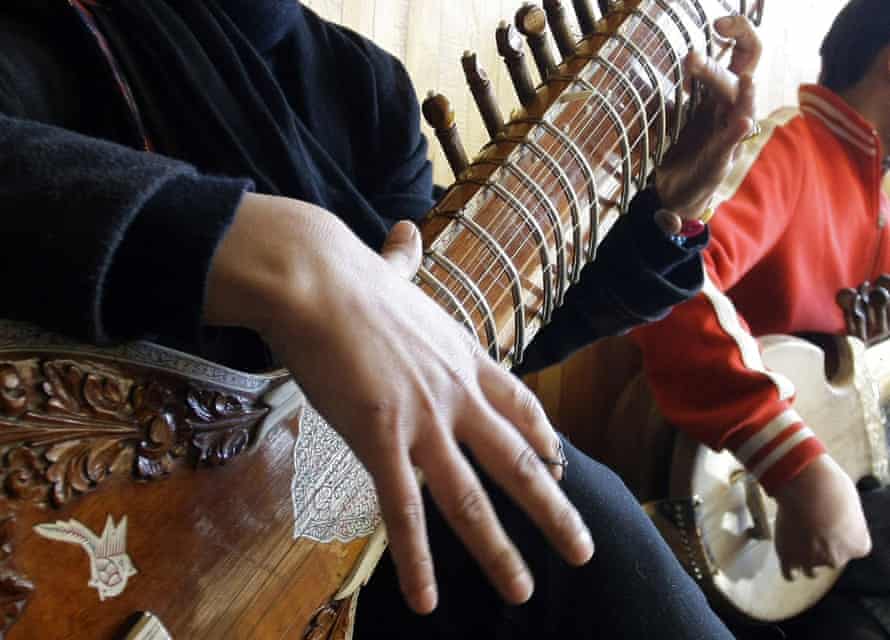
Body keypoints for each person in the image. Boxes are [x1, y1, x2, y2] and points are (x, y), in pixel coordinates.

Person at [0, 1, 758, 637]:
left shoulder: (365, 85)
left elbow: (459, 354)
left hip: (351, 576)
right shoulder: (58, 27)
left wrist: (664, 215)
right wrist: (282, 256)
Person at [631, 0, 890, 636]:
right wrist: (790, 456)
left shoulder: (882, 199)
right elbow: (670, 279)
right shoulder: (788, 146)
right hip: (740, 500)